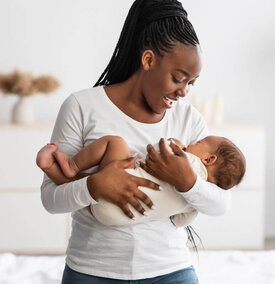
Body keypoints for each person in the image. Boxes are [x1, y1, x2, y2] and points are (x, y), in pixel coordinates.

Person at [40, 0, 232, 282]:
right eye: (179, 78)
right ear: (149, 60)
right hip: (92, 270)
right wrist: (94, 185)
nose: (184, 92)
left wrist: (187, 183)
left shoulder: (189, 119)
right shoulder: (82, 106)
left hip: (170, 270)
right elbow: (50, 199)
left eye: (192, 83)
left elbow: (221, 203)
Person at [37, 135, 245, 227]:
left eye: (198, 142)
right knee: (95, 183)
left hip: (112, 193)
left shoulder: (187, 159)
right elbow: (179, 221)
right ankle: (51, 167)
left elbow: (154, 151)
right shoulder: (195, 203)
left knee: (115, 143)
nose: (192, 142)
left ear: (209, 159)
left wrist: (175, 143)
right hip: (115, 218)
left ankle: (71, 165)